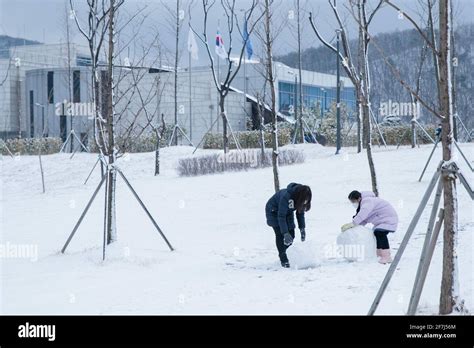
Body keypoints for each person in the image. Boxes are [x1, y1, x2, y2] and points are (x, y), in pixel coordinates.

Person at [341, 190, 398, 264]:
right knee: (377, 233)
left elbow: (363, 214)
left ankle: (386, 257)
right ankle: (380, 255)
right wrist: (355, 227)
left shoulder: (367, 201)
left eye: (353, 201)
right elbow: (365, 219)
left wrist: (353, 223)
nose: (353, 203)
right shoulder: (364, 203)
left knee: (380, 233)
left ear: (358, 198)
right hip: (382, 220)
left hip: (388, 219)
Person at [265, 183, 312, 268]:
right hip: (273, 211)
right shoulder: (286, 197)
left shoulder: (300, 198)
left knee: (292, 235)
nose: (305, 201)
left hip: (287, 213)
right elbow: (281, 216)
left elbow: (300, 213)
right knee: (280, 234)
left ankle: (287, 253)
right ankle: (283, 259)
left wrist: (302, 228)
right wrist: (285, 233)